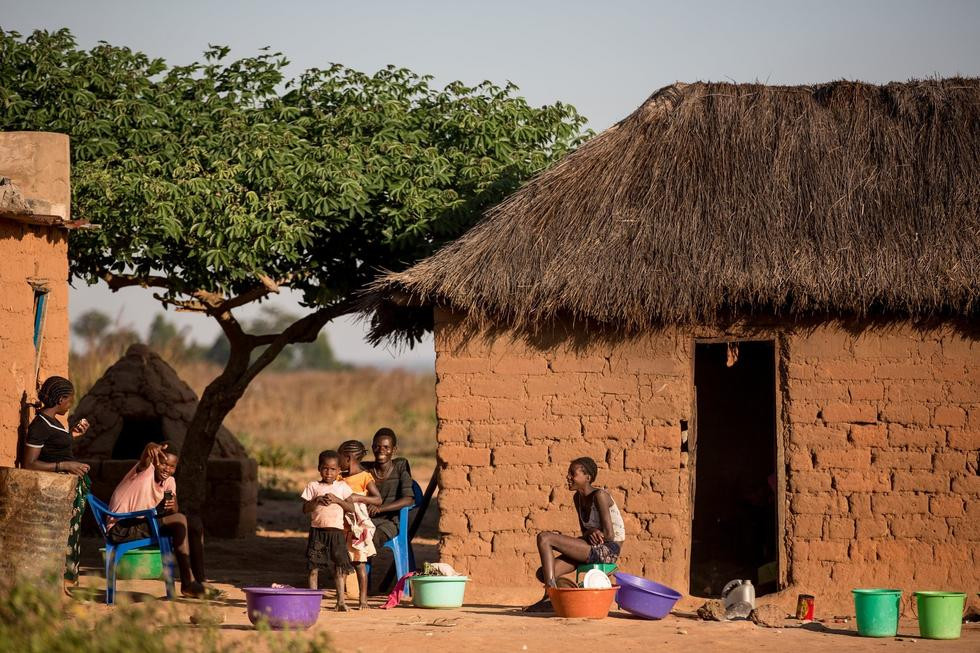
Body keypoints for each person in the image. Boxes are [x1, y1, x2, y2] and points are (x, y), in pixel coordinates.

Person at [524, 457, 627, 613]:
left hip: (608, 550)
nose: (568, 477)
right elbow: (585, 532)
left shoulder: (600, 495)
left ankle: (550, 595)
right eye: (568, 473)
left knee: (544, 537)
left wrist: (592, 533)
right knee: (543, 572)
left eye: (573, 473)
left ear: (587, 478)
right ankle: (559, 597)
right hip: (590, 548)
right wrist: (590, 532)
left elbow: (609, 535)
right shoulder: (577, 498)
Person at [107, 441, 208, 598]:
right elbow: (145, 458)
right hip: (121, 527)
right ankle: (188, 583)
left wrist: (173, 505)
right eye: (163, 463)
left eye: (172, 466)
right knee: (180, 520)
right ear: (155, 461)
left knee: (194, 523)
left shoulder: (169, 481)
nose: (167, 469)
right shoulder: (145, 470)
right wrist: (150, 447)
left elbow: (174, 512)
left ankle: (201, 581)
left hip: (143, 523)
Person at [22, 376, 91, 586]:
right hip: (57, 493)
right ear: (61, 399)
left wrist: (72, 435)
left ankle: (68, 582)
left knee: (72, 534)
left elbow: (55, 448)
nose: (71, 404)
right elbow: (29, 463)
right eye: (70, 400)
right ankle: (62, 583)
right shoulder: (40, 425)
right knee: (64, 537)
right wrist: (65, 466)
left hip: (69, 491)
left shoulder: (52, 422)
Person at [301, 449, 356, 611]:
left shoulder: (342, 487)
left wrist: (337, 500)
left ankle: (340, 601)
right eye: (325, 468)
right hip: (317, 532)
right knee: (313, 567)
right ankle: (312, 602)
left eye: (333, 469)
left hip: (336, 533)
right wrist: (317, 500)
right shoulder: (313, 486)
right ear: (319, 468)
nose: (329, 472)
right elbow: (305, 509)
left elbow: (351, 508)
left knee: (339, 567)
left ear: (339, 471)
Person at [338, 440, 382, 609]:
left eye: (340, 458)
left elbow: (377, 499)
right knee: (340, 563)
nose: (337, 461)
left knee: (359, 563)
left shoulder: (364, 476)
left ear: (348, 458)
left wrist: (357, 497)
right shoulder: (339, 477)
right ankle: (341, 600)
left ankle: (363, 600)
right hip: (341, 526)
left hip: (357, 527)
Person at [365, 428, 415, 555]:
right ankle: (358, 573)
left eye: (386, 447)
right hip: (366, 520)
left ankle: (362, 573)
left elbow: (408, 499)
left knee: (370, 540)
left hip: (390, 522)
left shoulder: (400, 467)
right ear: (372, 448)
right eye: (377, 447)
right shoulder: (365, 470)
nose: (381, 451)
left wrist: (380, 508)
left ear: (394, 450)